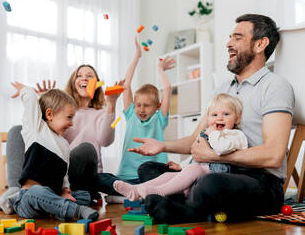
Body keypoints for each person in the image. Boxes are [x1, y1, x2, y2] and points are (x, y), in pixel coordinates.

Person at [130, 14, 295, 224]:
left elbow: (273, 155)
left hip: (259, 181)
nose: (228, 44)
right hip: (213, 170)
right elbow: (195, 140)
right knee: (148, 169)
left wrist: (216, 157)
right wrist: (162, 146)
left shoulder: (274, 86)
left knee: (211, 184)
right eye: (230, 38)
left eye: (237, 38)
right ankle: (189, 203)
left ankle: (184, 208)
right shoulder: (223, 89)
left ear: (260, 44)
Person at [0, 64, 120, 212]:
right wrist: (44, 102)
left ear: (97, 83)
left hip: (74, 172)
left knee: (86, 149)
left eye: (89, 76)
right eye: (79, 75)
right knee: (17, 130)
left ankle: (36, 197)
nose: (84, 78)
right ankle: (17, 191)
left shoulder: (102, 113)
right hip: (52, 172)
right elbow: (42, 134)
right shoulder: (62, 110)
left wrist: (111, 105)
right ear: (73, 82)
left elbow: (105, 140)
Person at [113, 93, 248, 201]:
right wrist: (181, 166)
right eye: (214, 115)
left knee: (193, 169)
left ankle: (159, 192)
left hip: (217, 177)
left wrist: (212, 134)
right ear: (208, 119)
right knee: (169, 174)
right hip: (198, 171)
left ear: (237, 118)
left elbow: (222, 149)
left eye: (226, 114)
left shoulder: (235, 135)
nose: (219, 118)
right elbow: (195, 154)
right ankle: (136, 190)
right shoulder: (208, 133)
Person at [96, 36, 176, 196]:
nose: (141, 109)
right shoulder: (131, 114)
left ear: (157, 107)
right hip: (128, 177)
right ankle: (137, 193)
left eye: (147, 105)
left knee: (169, 181)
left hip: (153, 177)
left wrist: (160, 69)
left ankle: (138, 193)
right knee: (98, 178)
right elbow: (126, 84)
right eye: (138, 104)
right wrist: (136, 57)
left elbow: (167, 88)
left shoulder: (159, 119)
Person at [9, 82, 99, 221]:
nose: (72, 123)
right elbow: (31, 98)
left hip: (52, 196)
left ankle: (57, 208)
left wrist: (65, 191)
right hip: (29, 199)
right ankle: (75, 210)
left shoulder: (63, 144)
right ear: (49, 114)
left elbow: (63, 175)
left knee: (84, 195)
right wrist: (24, 89)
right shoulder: (36, 130)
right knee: (37, 191)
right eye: (69, 117)